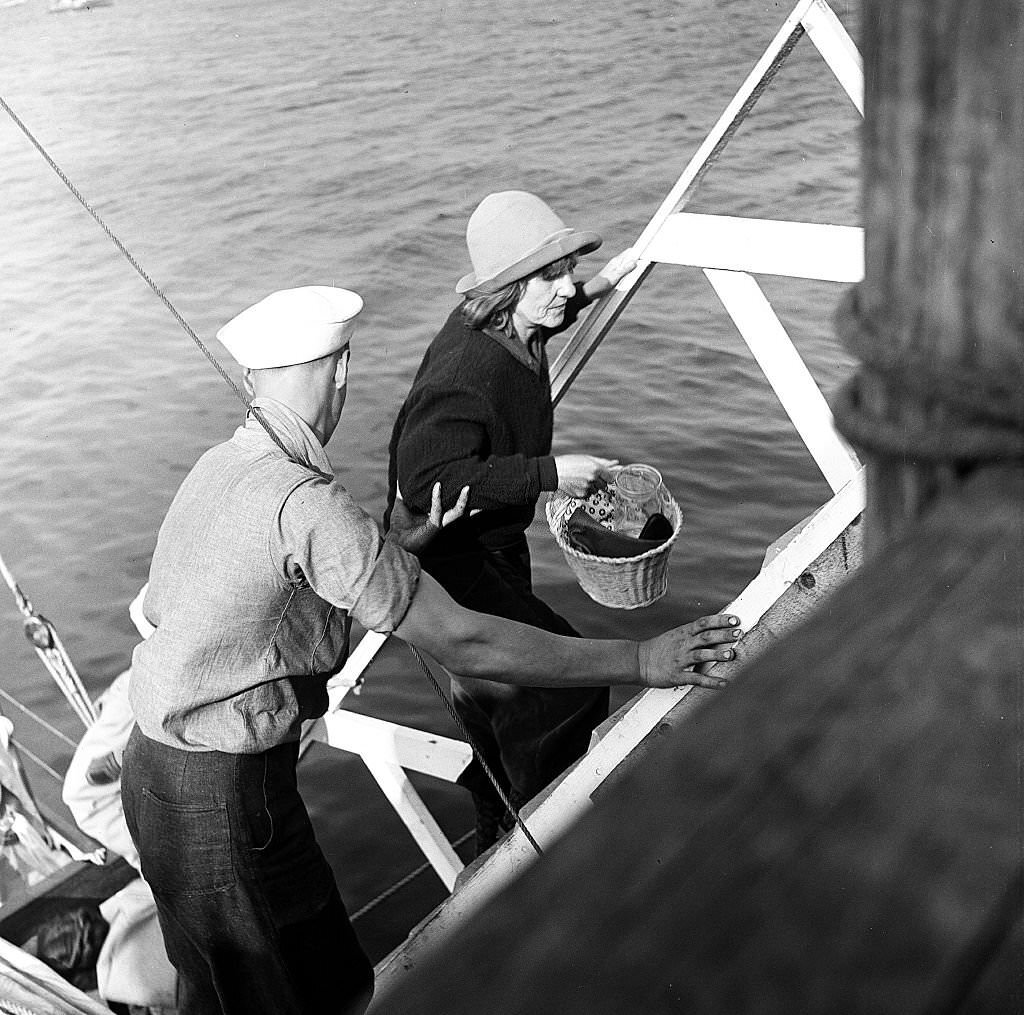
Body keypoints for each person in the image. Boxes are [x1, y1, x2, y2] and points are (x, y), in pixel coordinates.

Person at [120, 284, 742, 1015]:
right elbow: (467, 639)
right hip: (225, 798)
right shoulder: (308, 504)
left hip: (152, 776)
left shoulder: (214, 470)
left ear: (255, 380)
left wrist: (390, 554)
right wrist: (640, 661)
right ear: (341, 370)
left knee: (237, 993)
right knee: (306, 999)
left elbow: (206, 615)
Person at [386, 190, 641, 852]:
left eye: (570, 270)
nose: (567, 287)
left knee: (494, 703)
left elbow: (548, 315)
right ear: (505, 292)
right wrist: (549, 473)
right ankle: (537, 833)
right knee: (565, 689)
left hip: (498, 540)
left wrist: (604, 284)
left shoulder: (513, 326)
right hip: (455, 556)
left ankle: (494, 824)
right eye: (549, 276)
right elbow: (423, 477)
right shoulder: (469, 372)